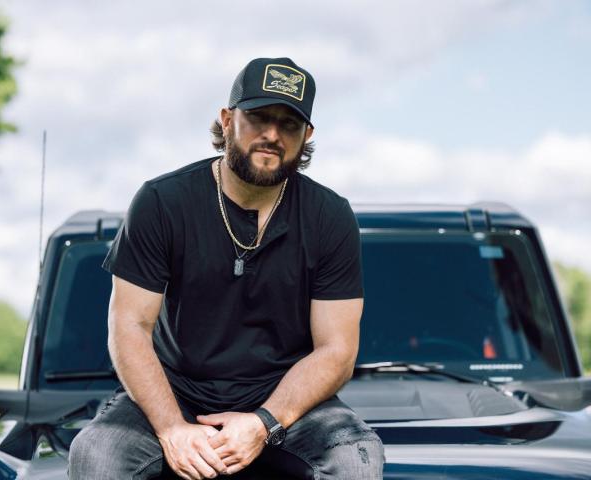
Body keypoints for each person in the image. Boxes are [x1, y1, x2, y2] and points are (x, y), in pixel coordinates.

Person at [68, 57, 385, 479]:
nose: (272, 135)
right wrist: (171, 428)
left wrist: (265, 422)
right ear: (227, 118)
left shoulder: (329, 217)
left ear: (306, 135)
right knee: (97, 454)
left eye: (289, 124)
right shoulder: (163, 202)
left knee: (356, 458)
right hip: (174, 392)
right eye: (259, 118)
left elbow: (337, 350)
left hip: (287, 398)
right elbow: (129, 326)